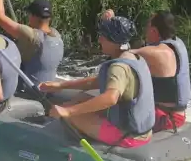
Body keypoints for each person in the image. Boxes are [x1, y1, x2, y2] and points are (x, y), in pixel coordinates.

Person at [39, 16, 155, 148]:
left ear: (114, 41)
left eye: (103, 36)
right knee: (82, 98)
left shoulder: (119, 68)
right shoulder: (134, 57)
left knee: (69, 116)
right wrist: (60, 85)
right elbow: (98, 81)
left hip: (128, 137)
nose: (99, 39)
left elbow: (110, 98)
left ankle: (68, 151)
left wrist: (69, 112)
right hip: (139, 129)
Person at [0, 0, 64, 89]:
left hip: (29, 92)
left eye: (29, 14)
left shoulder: (30, 35)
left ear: (34, 16)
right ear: (49, 17)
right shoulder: (57, 35)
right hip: (48, 92)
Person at [130, 11, 190, 131]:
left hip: (165, 118)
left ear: (154, 31)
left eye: (148, 28)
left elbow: (124, 55)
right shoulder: (177, 43)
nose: (146, 32)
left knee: (113, 112)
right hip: (178, 115)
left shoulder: (158, 52)